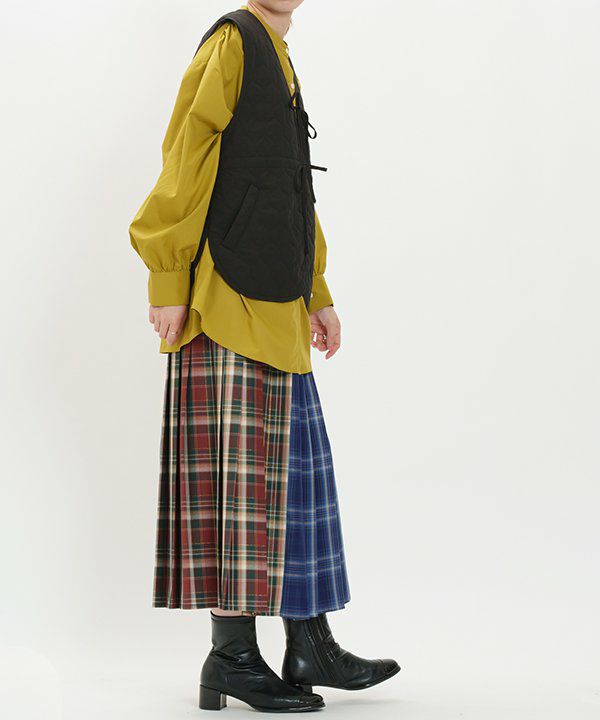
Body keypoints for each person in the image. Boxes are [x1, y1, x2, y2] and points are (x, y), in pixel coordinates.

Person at [129, 2, 399, 713]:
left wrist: (317, 292)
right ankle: (232, 657)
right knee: (238, 491)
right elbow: (185, 160)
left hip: (277, 300)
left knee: (296, 487)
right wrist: (167, 279)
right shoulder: (232, 44)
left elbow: (289, 187)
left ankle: (310, 644)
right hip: (225, 300)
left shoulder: (278, 55)